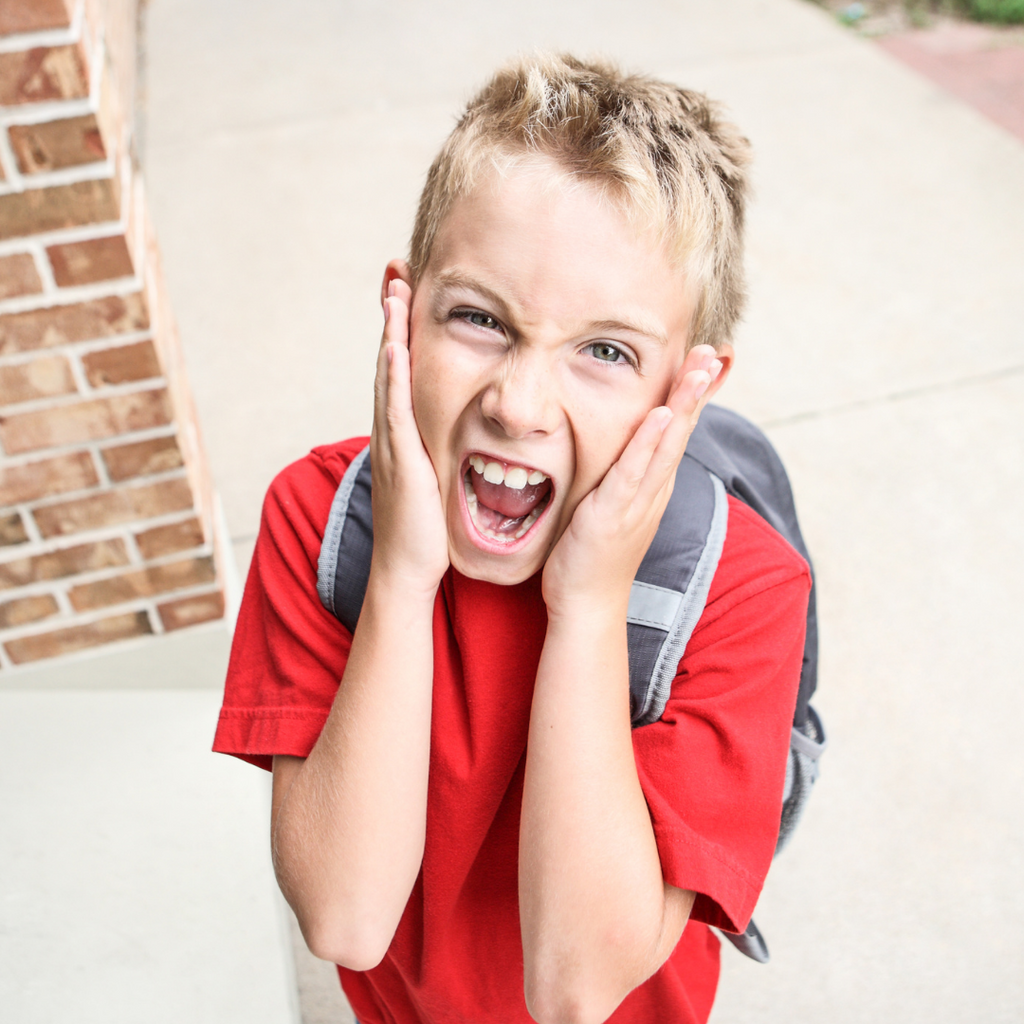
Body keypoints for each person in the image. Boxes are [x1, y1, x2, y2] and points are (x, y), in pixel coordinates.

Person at [214, 53, 811, 1024]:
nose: (519, 404)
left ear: (686, 389)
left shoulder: (736, 587)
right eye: (478, 320)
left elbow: (576, 990)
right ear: (402, 315)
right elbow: (346, 917)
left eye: (606, 351)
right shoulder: (322, 521)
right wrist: (403, 578)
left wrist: (587, 608)